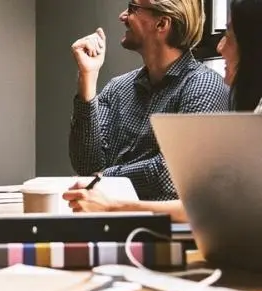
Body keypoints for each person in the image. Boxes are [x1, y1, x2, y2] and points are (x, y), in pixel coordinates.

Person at [63, 0, 262, 223]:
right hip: (109, 225)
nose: (122, 16)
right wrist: (87, 79)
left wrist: (101, 179)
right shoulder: (118, 88)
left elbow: (171, 175)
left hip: (165, 233)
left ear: (162, 24)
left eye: (133, 8)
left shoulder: (204, 86)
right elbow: (85, 165)